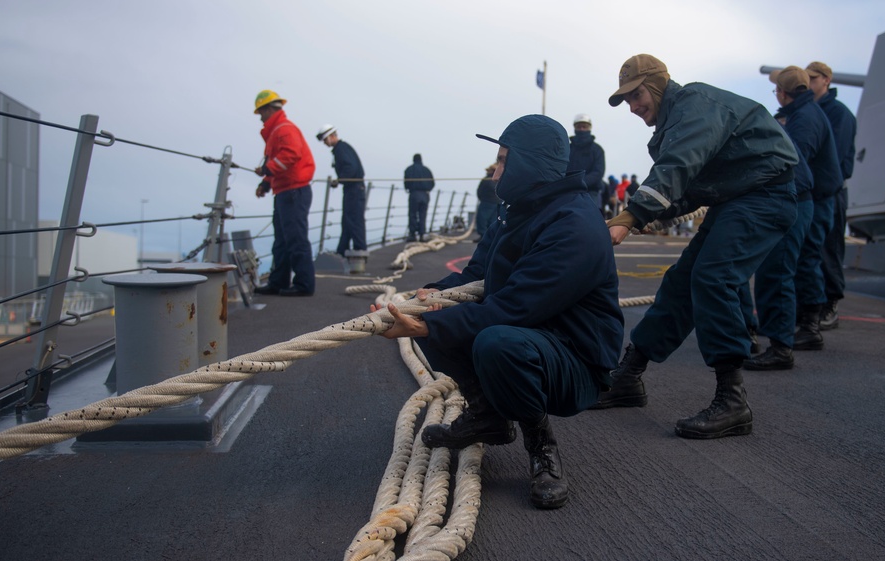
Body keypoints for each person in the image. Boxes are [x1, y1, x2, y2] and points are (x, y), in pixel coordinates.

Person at [372, 114, 624, 509]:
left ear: (529, 164)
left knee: (492, 340)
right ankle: (487, 414)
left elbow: (513, 309)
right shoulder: (516, 210)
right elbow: (475, 274)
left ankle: (540, 443)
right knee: (439, 316)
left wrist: (425, 326)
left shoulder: (573, 225)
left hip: (575, 360)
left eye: (504, 160)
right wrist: (429, 296)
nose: (495, 174)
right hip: (529, 333)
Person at [597, 54, 798, 439]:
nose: (634, 106)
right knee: (680, 282)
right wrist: (640, 216)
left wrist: (632, 216)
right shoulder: (676, 124)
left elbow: (677, 167)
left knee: (713, 278)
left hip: (766, 194)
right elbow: (688, 188)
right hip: (735, 198)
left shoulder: (695, 107)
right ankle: (628, 376)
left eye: (637, 94)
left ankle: (733, 401)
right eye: (626, 100)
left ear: (657, 85)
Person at [744, 66, 840, 369]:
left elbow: (793, 163)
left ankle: (789, 340)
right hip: (807, 198)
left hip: (803, 199)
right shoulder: (805, 114)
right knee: (791, 266)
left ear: (783, 93)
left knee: (785, 268)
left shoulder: (805, 119)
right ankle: (790, 330)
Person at [806, 61, 857, 331]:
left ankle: (831, 304)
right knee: (810, 252)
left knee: (829, 249)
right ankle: (809, 308)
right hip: (809, 192)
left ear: (827, 80)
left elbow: (832, 160)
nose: (809, 82)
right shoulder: (810, 111)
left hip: (830, 192)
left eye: (814, 78)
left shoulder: (839, 114)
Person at [251, 89, 316, 297]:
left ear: (269, 109)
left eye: (261, 112)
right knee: (282, 240)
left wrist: (268, 171)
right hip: (286, 191)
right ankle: (278, 282)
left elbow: (291, 154)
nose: (260, 117)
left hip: (294, 191)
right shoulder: (277, 131)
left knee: (295, 238)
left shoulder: (283, 129)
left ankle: (304, 284)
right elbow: (279, 162)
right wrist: (267, 183)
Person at [317, 124, 367, 257]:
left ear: (332, 136)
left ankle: (359, 250)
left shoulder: (341, 149)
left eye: (325, 139)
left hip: (354, 189)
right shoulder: (342, 148)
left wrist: (339, 180)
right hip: (353, 188)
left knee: (354, 219)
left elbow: (351, 167)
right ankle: (342, 249)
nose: (325, 143)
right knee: (348, 219)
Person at [567, 113, 606, 213]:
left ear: (589, 128)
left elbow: (598, 172)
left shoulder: (597, 150)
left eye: (584, 126)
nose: (581, 129)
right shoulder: (567, 149)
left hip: (591, 192)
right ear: (575, 128)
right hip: (568, 191)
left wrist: (580, 182)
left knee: (591, 217)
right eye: (579, 126)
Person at [404, 154, 435, 241]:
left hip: (414, 194)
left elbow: (406, 182)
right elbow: (432, 183)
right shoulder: (427, 170)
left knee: (413, 214)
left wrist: (408, 188)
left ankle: (412, 234)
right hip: (425, 195)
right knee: (422, 215)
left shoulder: (409, 169)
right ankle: (422, 235)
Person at [474, 163, 500, 238]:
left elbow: (480, 190)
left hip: (488, 202)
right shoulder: (495, 179)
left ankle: (484, 235)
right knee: (493, 220)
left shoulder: (488, 180)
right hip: (496, 202)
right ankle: (488, 236)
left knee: (482, 219)